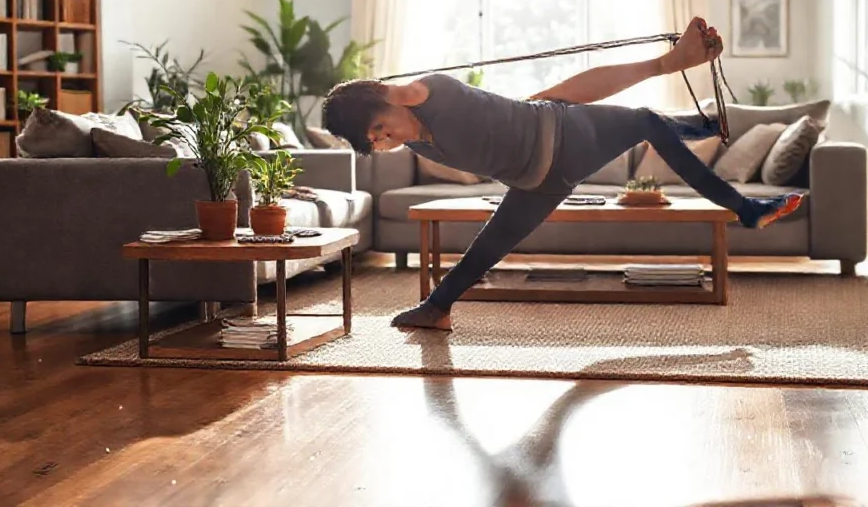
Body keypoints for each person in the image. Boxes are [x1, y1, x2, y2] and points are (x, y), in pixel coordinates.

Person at [321, 17, 805, 331]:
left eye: (381, 128)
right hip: (540, 180)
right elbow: (522, 111)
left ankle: (746, 208)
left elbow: (554, 103)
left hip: (565, 135)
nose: (385, 142)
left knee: (642, 120)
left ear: (390, 96)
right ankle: (438, 308)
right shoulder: (422, 139)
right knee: (491, 241)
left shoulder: (430, 93)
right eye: (376, 143)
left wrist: (670, 63)